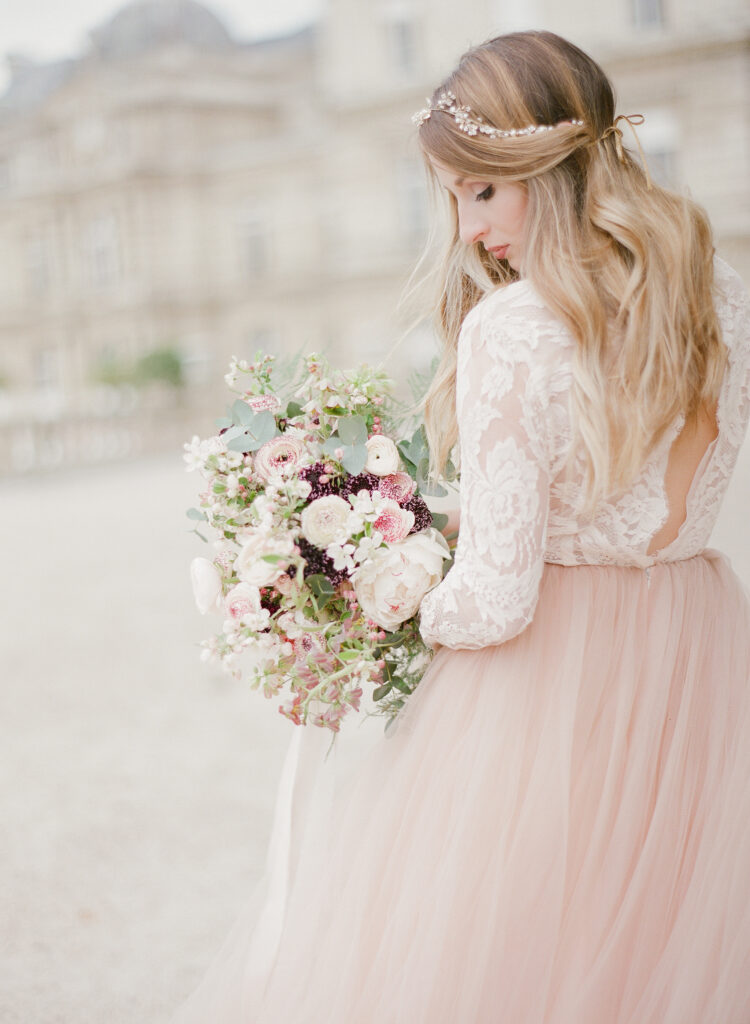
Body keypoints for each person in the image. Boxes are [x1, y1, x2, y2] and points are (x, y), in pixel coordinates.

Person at [173, 30, 750, 1023]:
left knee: (513, 960)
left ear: (551, 164)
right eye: (453, 196)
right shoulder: (723, 295)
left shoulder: (514, 329)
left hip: (554, 679)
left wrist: (384, 597)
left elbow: (496, 598)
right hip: (699, 650)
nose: (469, 225)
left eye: (483, 189)